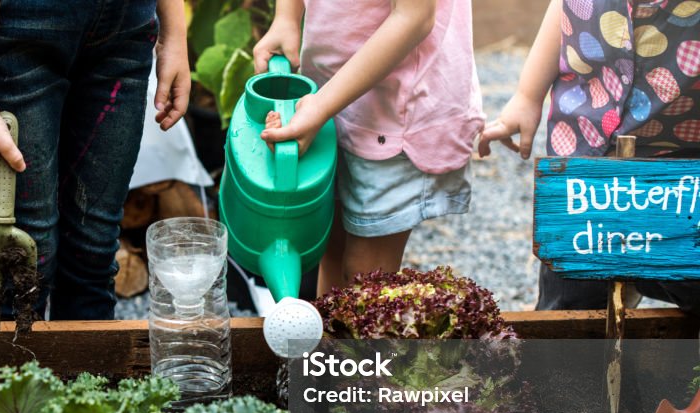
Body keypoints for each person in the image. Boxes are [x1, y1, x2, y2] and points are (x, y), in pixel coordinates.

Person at [0, 0, 190, 321]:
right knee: (24, 254)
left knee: (94, 249)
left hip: (126, 32)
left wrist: (174, 35)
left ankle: (84, 370)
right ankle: (12, 370)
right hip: (24, 29)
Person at [479, 0, 700, 314]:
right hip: (586, 147)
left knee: (687, 279)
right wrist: (527, 96)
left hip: (678, 152)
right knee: (571, 300)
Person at [253, 0, 483, 294]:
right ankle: (331, 339)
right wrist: (287, 16)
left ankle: (359, 341)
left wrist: (320, 107)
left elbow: (414, 17)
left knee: (365, 274)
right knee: (330, 250)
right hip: (328, 93)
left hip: (396, 111)